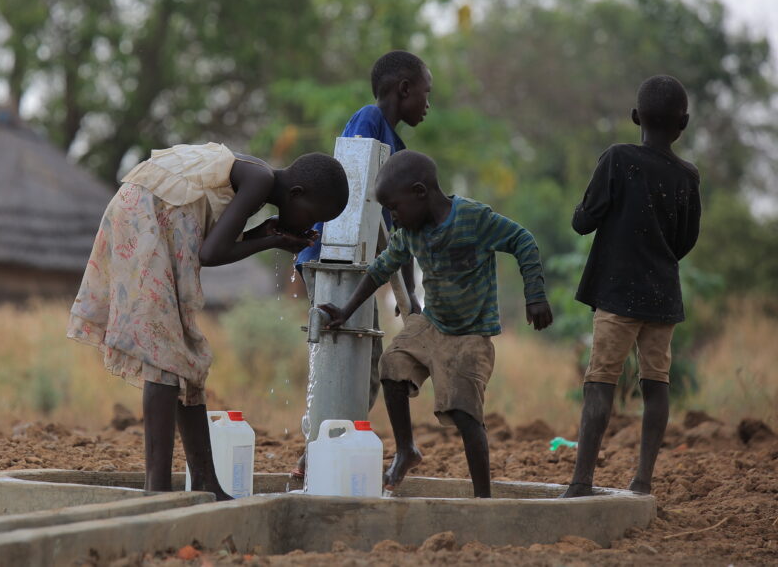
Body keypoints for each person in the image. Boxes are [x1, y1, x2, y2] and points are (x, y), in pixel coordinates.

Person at [68, 142, 349, 500]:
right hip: (146, 215)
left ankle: (206, 483)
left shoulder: (255, 175)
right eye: (313, 215)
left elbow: (216, 244)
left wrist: (265, 234)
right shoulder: (259, 180)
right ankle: (156, 491)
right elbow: (212, 252)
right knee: (164, 354)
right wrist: (273, 240)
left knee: (183, 353)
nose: (311, 225)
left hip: (149, 211)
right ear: (297, 193)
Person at [319, 150, 553, 497]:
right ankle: (406, 449)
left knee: (464, 409)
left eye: (395, 208)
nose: (394, 218)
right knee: (392, 364)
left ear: (420, 192)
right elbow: (381, 268)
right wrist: (346, 310)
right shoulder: (409, 232)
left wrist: (535, 294)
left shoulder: (474, 218)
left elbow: (523, 240)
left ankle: (482, 497)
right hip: (433, 324)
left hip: (472, 334)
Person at [561, 75, 701, 498]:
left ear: (636, 116)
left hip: (617, 294)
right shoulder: (688, 176)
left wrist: (582, 210)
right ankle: (642, 481)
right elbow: (685, 240)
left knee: (601, 382)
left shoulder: (618, 159)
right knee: (656, 384)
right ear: (684, 123)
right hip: (662, 297)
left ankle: (582, 481)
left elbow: (585, 220)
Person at [293, 50, 430, 477]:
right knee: (345, 356)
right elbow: (351, 196)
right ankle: (318, 454)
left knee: (363, 366)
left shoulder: (398, 147)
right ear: (403, 89)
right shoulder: (369, 121)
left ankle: (325, 450)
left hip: (359, 269)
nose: (428, 104)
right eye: (425, 93)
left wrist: (408, 298)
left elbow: (398, 229)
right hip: (334, 259)